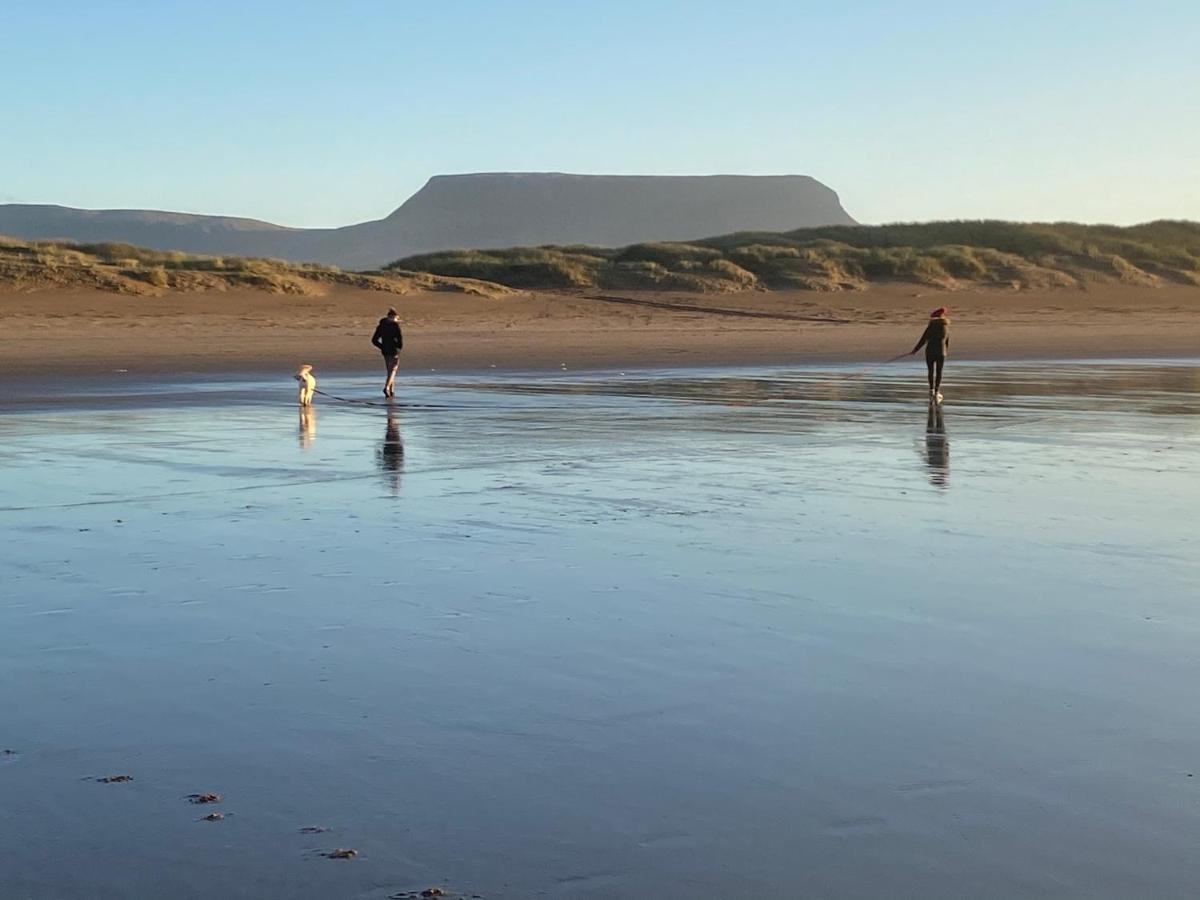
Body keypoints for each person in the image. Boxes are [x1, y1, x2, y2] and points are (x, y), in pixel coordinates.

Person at [910, 307, 950, 403]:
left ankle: (931, 390)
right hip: (941, 352)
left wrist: (915, 350)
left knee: (930, 371)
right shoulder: (946, 327)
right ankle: (936, 391)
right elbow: (947, 342)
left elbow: (923, 340)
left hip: (930, 352)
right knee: (939, 372)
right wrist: (945, 351)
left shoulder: (931, 327)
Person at [371, 308, 404, 398]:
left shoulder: (381, 326)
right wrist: (399, 347)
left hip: (385, 350)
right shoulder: (395, 326)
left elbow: (374, 340)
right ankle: (387, 388)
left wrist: (382, 346)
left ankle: (391, 390)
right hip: (393, 350)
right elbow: (400, 339)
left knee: (390, 370)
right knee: (393, 369)